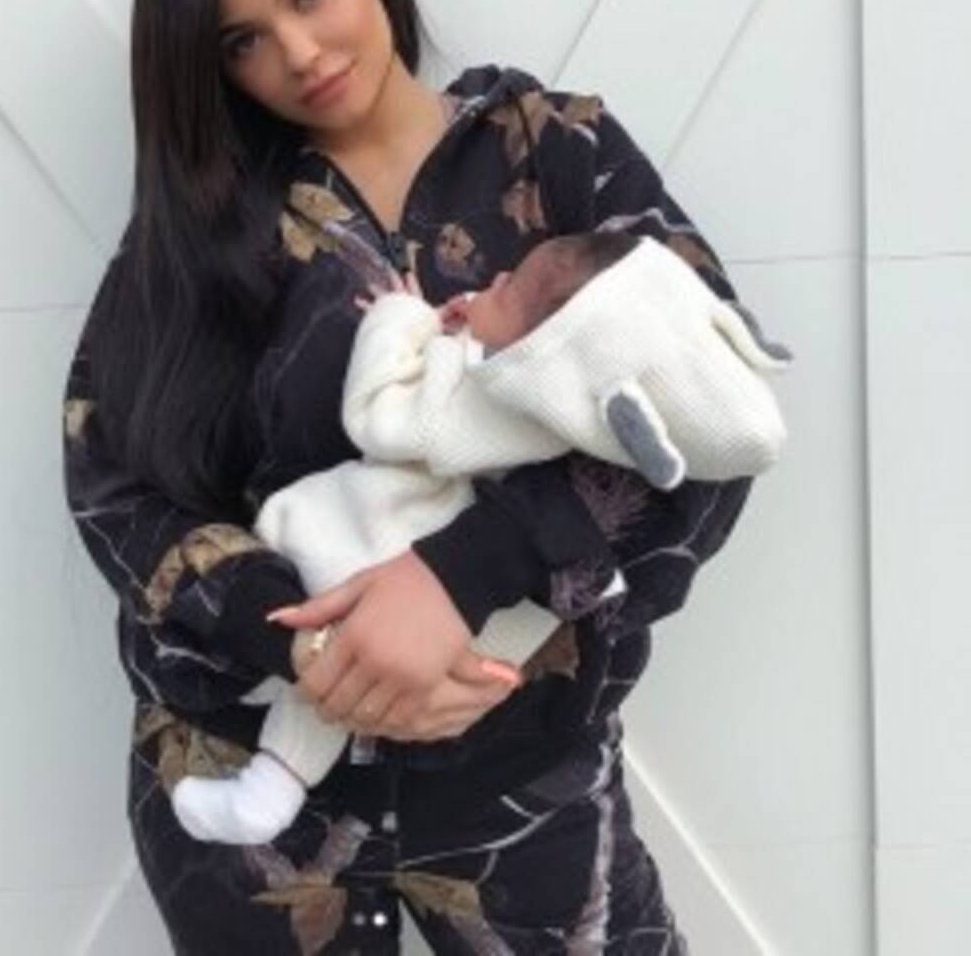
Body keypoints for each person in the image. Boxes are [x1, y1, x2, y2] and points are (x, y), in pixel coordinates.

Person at [62, 0, 766, 954]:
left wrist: (461, 573)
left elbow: (715, 418)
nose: (299, 53)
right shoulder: (197, 234)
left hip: (524, 801)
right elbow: (114, 488)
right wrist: (313, 651)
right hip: (254, 820)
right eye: (244, 40)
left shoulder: (557, 156)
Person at [168, 233, 791, 845]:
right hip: (501, 647)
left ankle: (271, 783)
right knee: (354, 680)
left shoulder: (481, 399)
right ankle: (272, 774)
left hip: (385, 560)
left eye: (508, 289)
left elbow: (378, 415)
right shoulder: (589, 418)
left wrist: (401, 318)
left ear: (537, 349)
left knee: (338, 653)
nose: (491, 280)